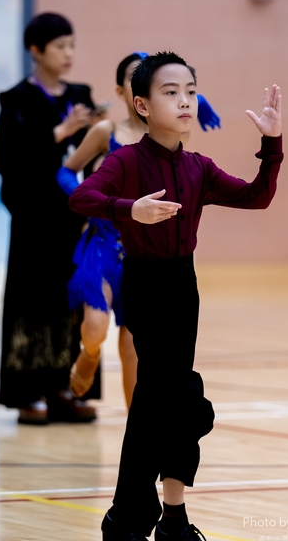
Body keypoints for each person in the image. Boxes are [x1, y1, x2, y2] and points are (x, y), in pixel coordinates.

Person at [68, 51, 283, 541]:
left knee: (153, 403)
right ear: (142, 105)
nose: (185, 101)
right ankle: (174, 520)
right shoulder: (125, 161)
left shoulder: (198, 167)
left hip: (185, 286)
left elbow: (257, 197)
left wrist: (272, 143)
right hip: (145, 284)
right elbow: (81, 198)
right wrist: (130, 210)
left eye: (190, 91)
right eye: (170, 92)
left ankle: (125, 513)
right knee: (183, 399)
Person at [57, 52, 221, 410]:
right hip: (103, 243)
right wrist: (91, 201)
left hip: (143, 250)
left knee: (133, 346)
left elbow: (183, 98)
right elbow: (66, 171)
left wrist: (199, 99)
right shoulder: (107, 132)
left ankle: (138, 425)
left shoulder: (168, 134)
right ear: (126, 93)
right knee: (95, 327)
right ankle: (89, 353)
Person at [0, 12, 99, 425]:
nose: (69, 53)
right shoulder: (17, 98)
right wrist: (58, 133)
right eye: (60, 46)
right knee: (32, 303)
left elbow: (94, 153)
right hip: (34, 220)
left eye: (72, 45)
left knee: (70, 302)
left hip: (73, 218)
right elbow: (5, 159)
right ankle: (28, 392)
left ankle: (65, 388)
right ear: (35, 51)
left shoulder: (80, 95)